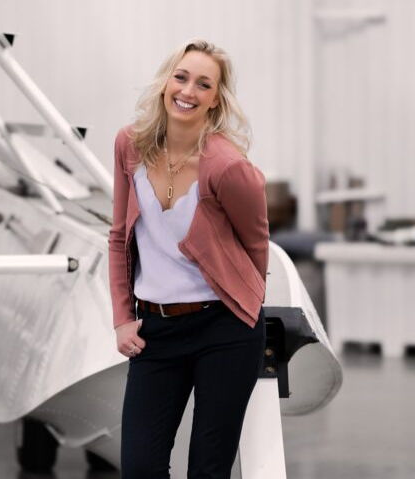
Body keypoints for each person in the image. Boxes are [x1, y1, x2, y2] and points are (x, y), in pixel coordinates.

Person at [108, 39, 270, 478]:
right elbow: (119, 236)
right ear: (165, 82)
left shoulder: (228, 167)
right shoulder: (130, 146)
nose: (188, 91)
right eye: (181, 77)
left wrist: (246, 311)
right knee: (140, 467)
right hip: (155, 329)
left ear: (215, 99)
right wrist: (123, 317)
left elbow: (257, 244)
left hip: (223, 328)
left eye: (204, 84)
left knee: (207, 470)